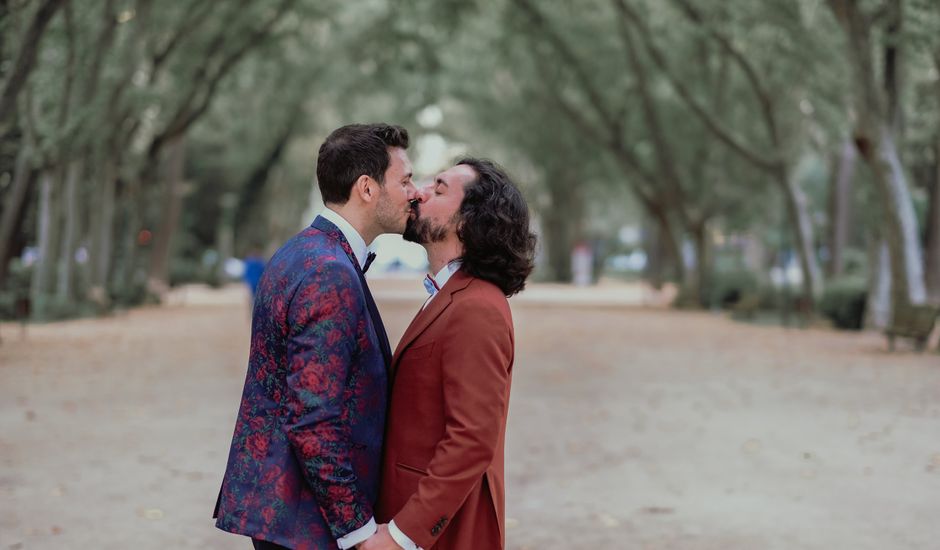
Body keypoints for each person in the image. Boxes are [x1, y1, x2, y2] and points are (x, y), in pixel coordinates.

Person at [214, 123, 416, 550]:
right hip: (306, 522)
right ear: (367, 188)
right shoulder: (329, 271)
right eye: (405, 180)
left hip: (285, 513)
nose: (413, 192)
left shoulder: (300, 252)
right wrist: (359, 532)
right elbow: (313, 418)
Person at [362, 158, 537, 550]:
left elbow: (472, 439)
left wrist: (402, 535)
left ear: (469, 222)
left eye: (439, 189)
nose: (418, 191)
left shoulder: (477, 308)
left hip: (447, 535)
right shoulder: (451, 296)